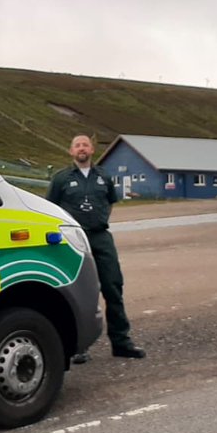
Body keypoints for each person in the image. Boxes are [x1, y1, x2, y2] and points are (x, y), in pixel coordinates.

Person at [46, 134, 146, 361]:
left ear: (92, 150)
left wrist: (96, 222)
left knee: (113, 286)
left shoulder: (104, 176)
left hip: (101, 237)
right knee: (76, 291)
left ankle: (121, 342)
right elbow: (50, 208)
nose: (81, 148)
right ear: (71, 152)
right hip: (73, 239)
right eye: (77, 145)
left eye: (85, 145)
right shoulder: (61, 179)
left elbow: (109, 203)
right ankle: (76, 348)